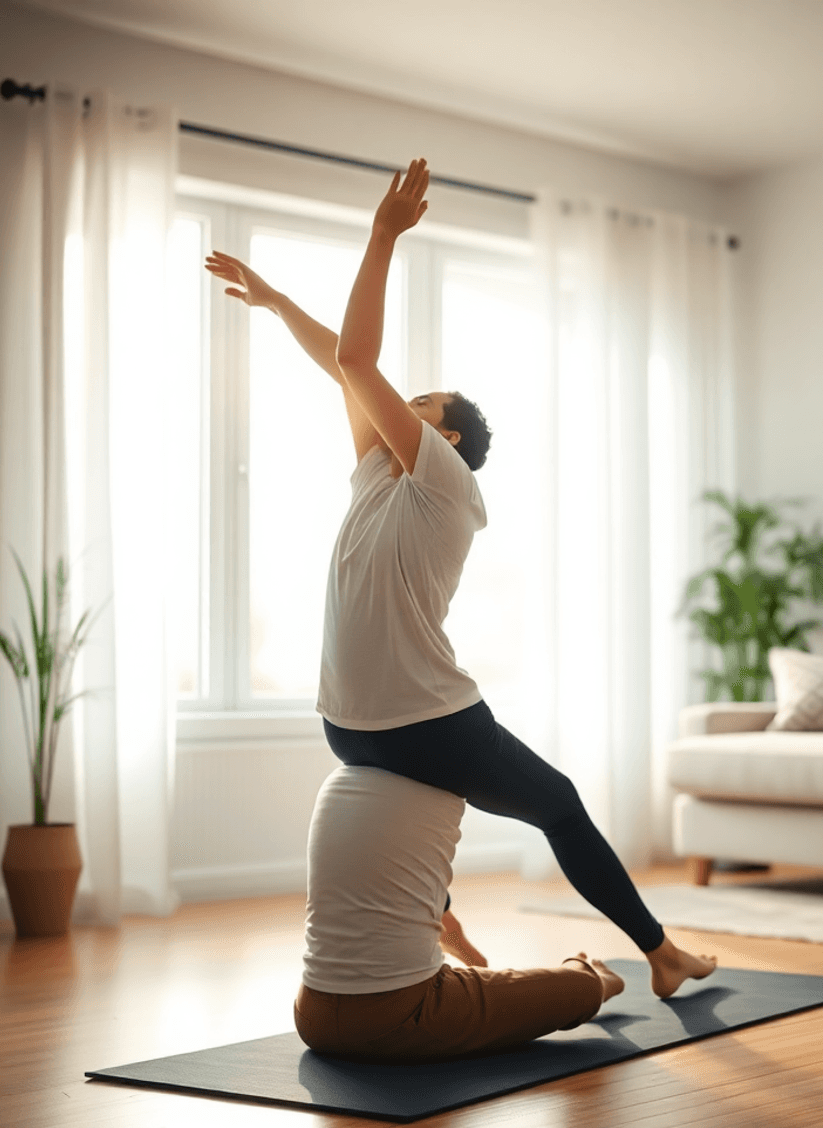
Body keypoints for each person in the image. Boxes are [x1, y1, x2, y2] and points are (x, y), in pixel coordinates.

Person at [206, 158, 717, 999]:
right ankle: (660, 955)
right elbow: (347, 364)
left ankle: (573, 938)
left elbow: (356, 359)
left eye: (421, 403)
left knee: (555, 801)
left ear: (445, 439)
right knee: (557, 804)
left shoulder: (446, 483)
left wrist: (382, 239)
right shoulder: (378, 467)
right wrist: (274, 302)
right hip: (408, 720)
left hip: (361, 721)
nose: (399, 405)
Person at [294, 763, 624, 1061]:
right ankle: (591, 979)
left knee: (399, 884)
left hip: (311, 1016)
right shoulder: (443, 771)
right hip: (403, 1015)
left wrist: (472, 960)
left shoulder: (342, 781)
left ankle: (474, 970)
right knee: (577, 990)